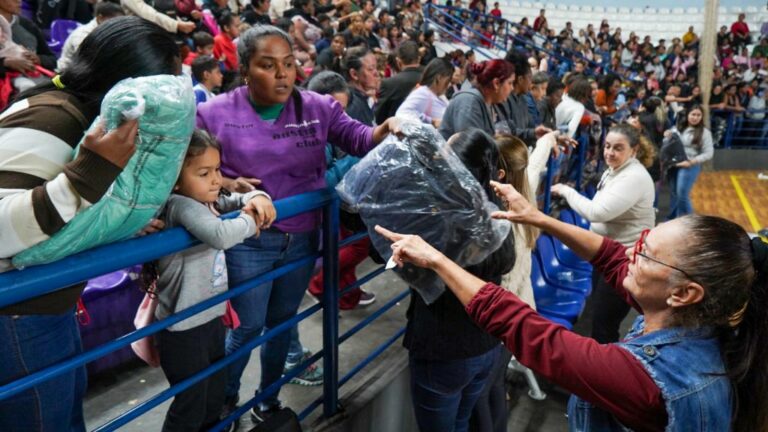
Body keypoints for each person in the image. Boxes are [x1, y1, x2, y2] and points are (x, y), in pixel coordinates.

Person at [375, 182, 768, 432]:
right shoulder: (699, 320)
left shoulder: (645, 381)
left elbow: (531, 333)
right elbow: (613, 256)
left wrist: (438, 260)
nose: (633, 251)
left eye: (646, 253)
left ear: (684, 293)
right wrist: (539, 218)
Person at [195, 25, 399, 424]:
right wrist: (222, 181)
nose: (282, 74)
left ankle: (266, 400)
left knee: (281, 324)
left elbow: (359, 138)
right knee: (248, 325)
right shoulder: (213, 113)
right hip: (248, 241)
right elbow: (190, 170)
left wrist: (384, 129)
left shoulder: (318, 107)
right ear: (245, 69)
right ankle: (224, 398)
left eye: (288, 64)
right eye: (268, 66)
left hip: (302, 238)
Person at [0, 17, 179, 432]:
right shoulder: (54, 119)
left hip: (45, 305)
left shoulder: (83, 114)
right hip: (19, 316)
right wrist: (89, 173)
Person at [154, 130, 275, 431]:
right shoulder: (181, 204)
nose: (216, 180)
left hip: (209, 319)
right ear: (176, 179)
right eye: (204, 173)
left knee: (211, 399)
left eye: (218, 170)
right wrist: (251, 220)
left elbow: (236, 197)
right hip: (183, 327)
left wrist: (257, 196)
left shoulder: (210, 200)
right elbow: (220, 235)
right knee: (190, 406)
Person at [404, 128, 515, 432]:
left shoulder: (439, 217)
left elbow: (388, 251)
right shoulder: (499, 212)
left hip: (445, 350)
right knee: (461, 422)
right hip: (485, 344)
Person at [551, 123, 655, 343]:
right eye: (607, 146)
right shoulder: (617, 169)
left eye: (618, 148)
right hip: (609, 253)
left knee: (604, 324)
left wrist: (565, 190)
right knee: (600, 318)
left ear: (634, 150)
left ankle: (605, 372)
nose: (609, 152)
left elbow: (597, 212)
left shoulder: (634, 177)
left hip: (624, 260)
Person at [305, 70, 376, 311]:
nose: (340, 116)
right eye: (335, 109)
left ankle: (346, 293)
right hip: (310, 216)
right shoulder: (305, 134)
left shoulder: (331, 127)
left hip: (334, 208)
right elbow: (321, 181)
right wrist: (356, 159)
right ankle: (320, 284)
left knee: (350, 242)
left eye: (342, 110)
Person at [439, 59, 515, 139]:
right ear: (496, 83)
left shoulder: (484, 103)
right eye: (510, 83)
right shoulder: (469, 102)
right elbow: (470, 147)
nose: (512, 88)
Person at [667, 105, 713, 219]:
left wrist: (691, 162)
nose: (695, 117)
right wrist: (667, 135)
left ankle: (690, 223)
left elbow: (709, 153)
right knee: (674, 195)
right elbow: (668, 141)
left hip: (689, 166)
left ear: (702, 117)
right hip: (674, 165)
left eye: (698, 115)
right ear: (687, 115)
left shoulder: (705, 133)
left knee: (682, 195)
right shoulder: (677, 128)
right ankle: (673, 220)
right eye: (693, 114)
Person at [57, 2, 125, 71]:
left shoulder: (109, 32)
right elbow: (86, 61)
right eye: (114, 21)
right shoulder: (82, 34)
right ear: (100, 17)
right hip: (68, 73)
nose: (117, 24)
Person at [395, 57, 453, 127]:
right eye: (448, 80)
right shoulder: (424, 93)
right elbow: (402, 113)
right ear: (439, 78)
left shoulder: (441, 97)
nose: (449, 84)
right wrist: (432, 121)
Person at [375, 41, 422, 124]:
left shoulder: (388, 84)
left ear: (398, 61)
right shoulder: (431, 78)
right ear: (419, 58)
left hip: (396, 133)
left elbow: (379, 118)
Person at [342, 45, 380, 126]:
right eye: (370, 69)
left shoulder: (362, 98)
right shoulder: (353, 107)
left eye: (376, 68)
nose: (377, 73)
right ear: (354, 74)